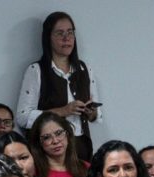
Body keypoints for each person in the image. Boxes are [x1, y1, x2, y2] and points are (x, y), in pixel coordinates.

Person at [15, 11, 100, 160]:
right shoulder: (36, 70)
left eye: (70, 32)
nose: (66, 38)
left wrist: (90, 112)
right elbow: (23, 117)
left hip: (81, 148)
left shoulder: (85, 69)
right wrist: (63, 111)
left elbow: (95, 116)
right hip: (49, 153)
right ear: (48, 38)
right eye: (60, 33)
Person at [30, 111, 88, 177]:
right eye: (47, 137)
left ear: (67, 134)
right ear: (39, 143)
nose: (55, 141)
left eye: (59, 133)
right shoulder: (34, 174)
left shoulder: (86, 168)